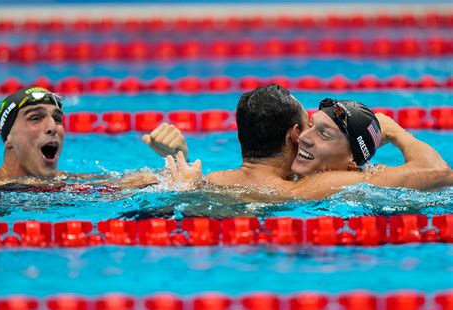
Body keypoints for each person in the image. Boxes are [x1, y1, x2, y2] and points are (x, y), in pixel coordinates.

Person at [164, 86, 452, 199]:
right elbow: (439, 172)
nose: (306, 138)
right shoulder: (313, 188)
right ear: (293, 135)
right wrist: (395, 132)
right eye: (309, 127)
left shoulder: (210, 180)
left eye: (323, 134)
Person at [0, 86, 188, 189]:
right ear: (8, 137)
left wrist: (179, 160)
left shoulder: (72, 182)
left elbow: (165, 183)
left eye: (58, 118)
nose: (53, 127)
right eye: (36, 118)